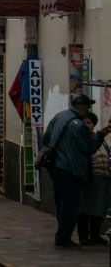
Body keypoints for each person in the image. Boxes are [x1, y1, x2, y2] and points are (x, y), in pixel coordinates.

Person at [42, 94, 111, 248]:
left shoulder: (60, 116)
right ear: (83, 107)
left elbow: (45, 138)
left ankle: (61, 235)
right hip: (70, 169)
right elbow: (88, 149)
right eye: (87, 107)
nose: (88, 110)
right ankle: (63, 238)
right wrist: (101, 134)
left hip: (57, 168)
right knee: (70, 205)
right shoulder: (78, 125)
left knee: (61, 203)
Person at [77, 112, 111, 246]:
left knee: (99, 208)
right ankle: (84, 236)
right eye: (84, 123)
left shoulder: (100, 139)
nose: (87, 126)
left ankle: (95, 235)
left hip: (103, 178)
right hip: (89, 178)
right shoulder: (80, 140)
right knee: (85, 209)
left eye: (89, 123)